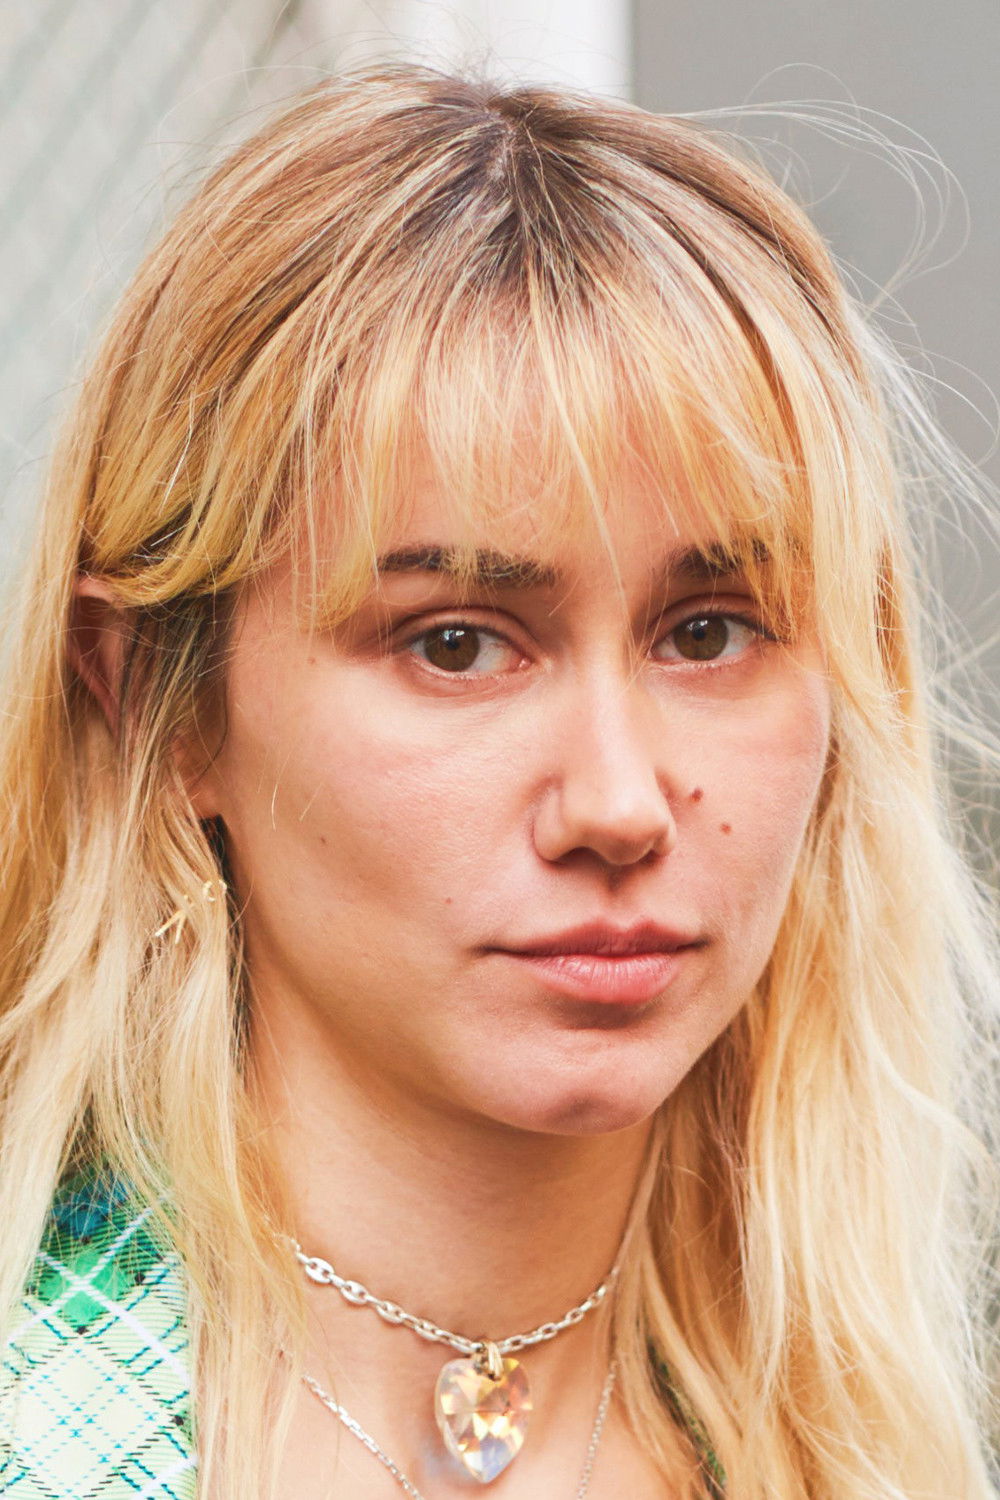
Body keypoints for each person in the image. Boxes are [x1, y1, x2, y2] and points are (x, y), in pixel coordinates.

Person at [0, 64, 997, 1500]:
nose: (618, 805)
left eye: (708, 631)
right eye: (457, 644)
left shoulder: (877, 1435)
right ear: (162, 700)